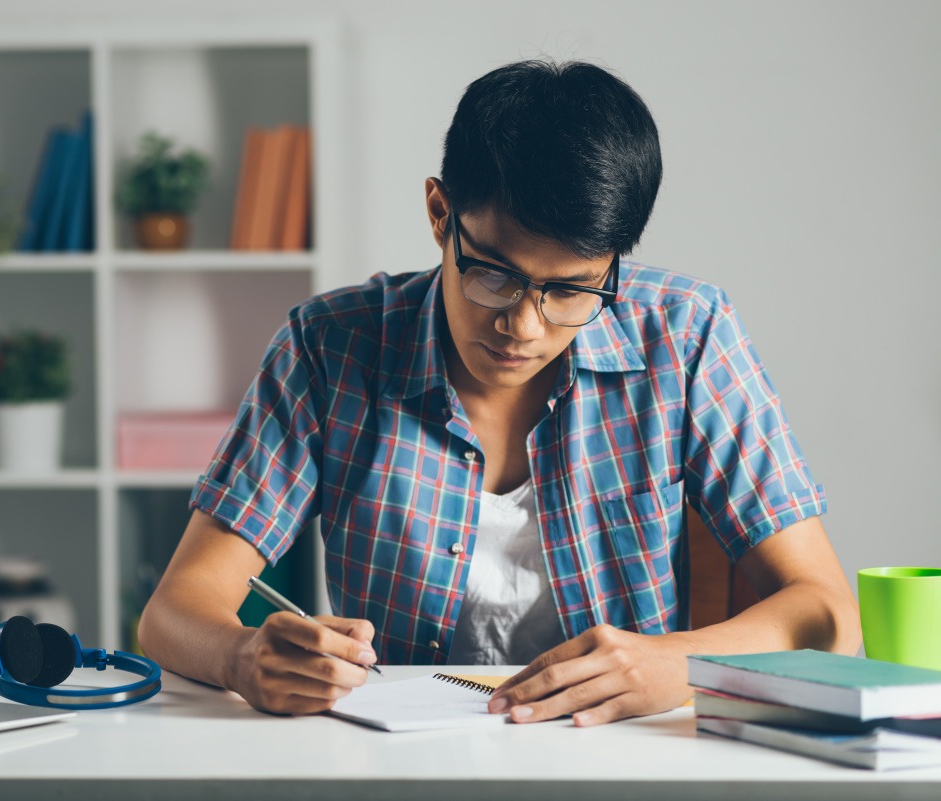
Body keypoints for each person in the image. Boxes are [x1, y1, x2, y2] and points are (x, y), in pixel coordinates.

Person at [137, 58, 861, 726]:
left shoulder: (686, 336)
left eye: (571, 291)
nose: (524, 324)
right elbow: (174, 609)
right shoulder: (330, 346)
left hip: (622, 758)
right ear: (440, 214)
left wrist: (682, 662)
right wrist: (242, 655)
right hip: (395, 761)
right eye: (494, 274)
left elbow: (828, 610)